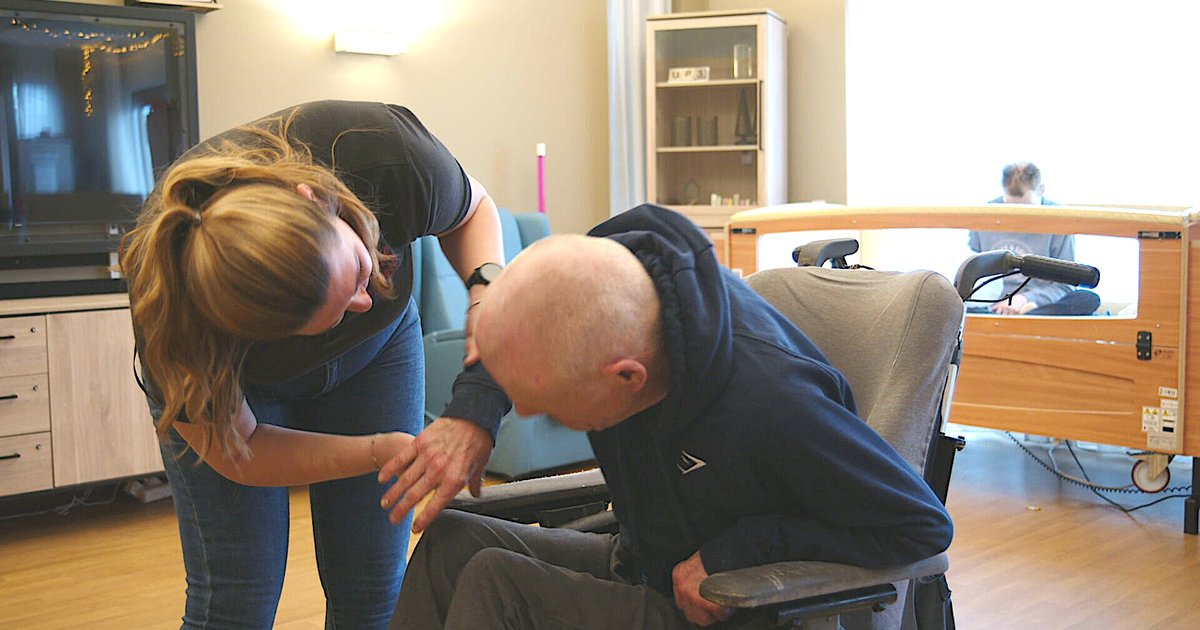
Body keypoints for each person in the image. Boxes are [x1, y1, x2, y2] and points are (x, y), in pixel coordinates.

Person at [385, 204, 954, 629]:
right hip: (645, 559)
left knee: (497, 583)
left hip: (730, 603)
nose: (528, 412)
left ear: (626, 377)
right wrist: (476, 413)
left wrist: (733, 554)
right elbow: (528, 318)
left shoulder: (773, 403)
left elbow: (921, 529)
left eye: (551, 402)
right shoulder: (621, 277)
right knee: (453, 541)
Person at [119, 100, 508, 629]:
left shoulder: (378, 150)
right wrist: (375, 450)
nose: (364, 301)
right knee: (235, 602)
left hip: (380, 356)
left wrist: (486, 294)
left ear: (318, 200)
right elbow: (244, 450)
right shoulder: (178, 322)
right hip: (244, 392)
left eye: (356, 270)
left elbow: (472, 210)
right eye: (323, 323)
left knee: (373, 594)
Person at [967, 161, 1100, 315]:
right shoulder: (983, 216)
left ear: (1041, 190)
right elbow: (971, 274)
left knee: (1087, 299)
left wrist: (1025, 299)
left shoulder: (1061, 220)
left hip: (1036, 304)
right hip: (990, 304)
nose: (1017, 217)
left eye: (1026, 208)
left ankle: (1024, 317)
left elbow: (1065, 285)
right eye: (1010, 208)